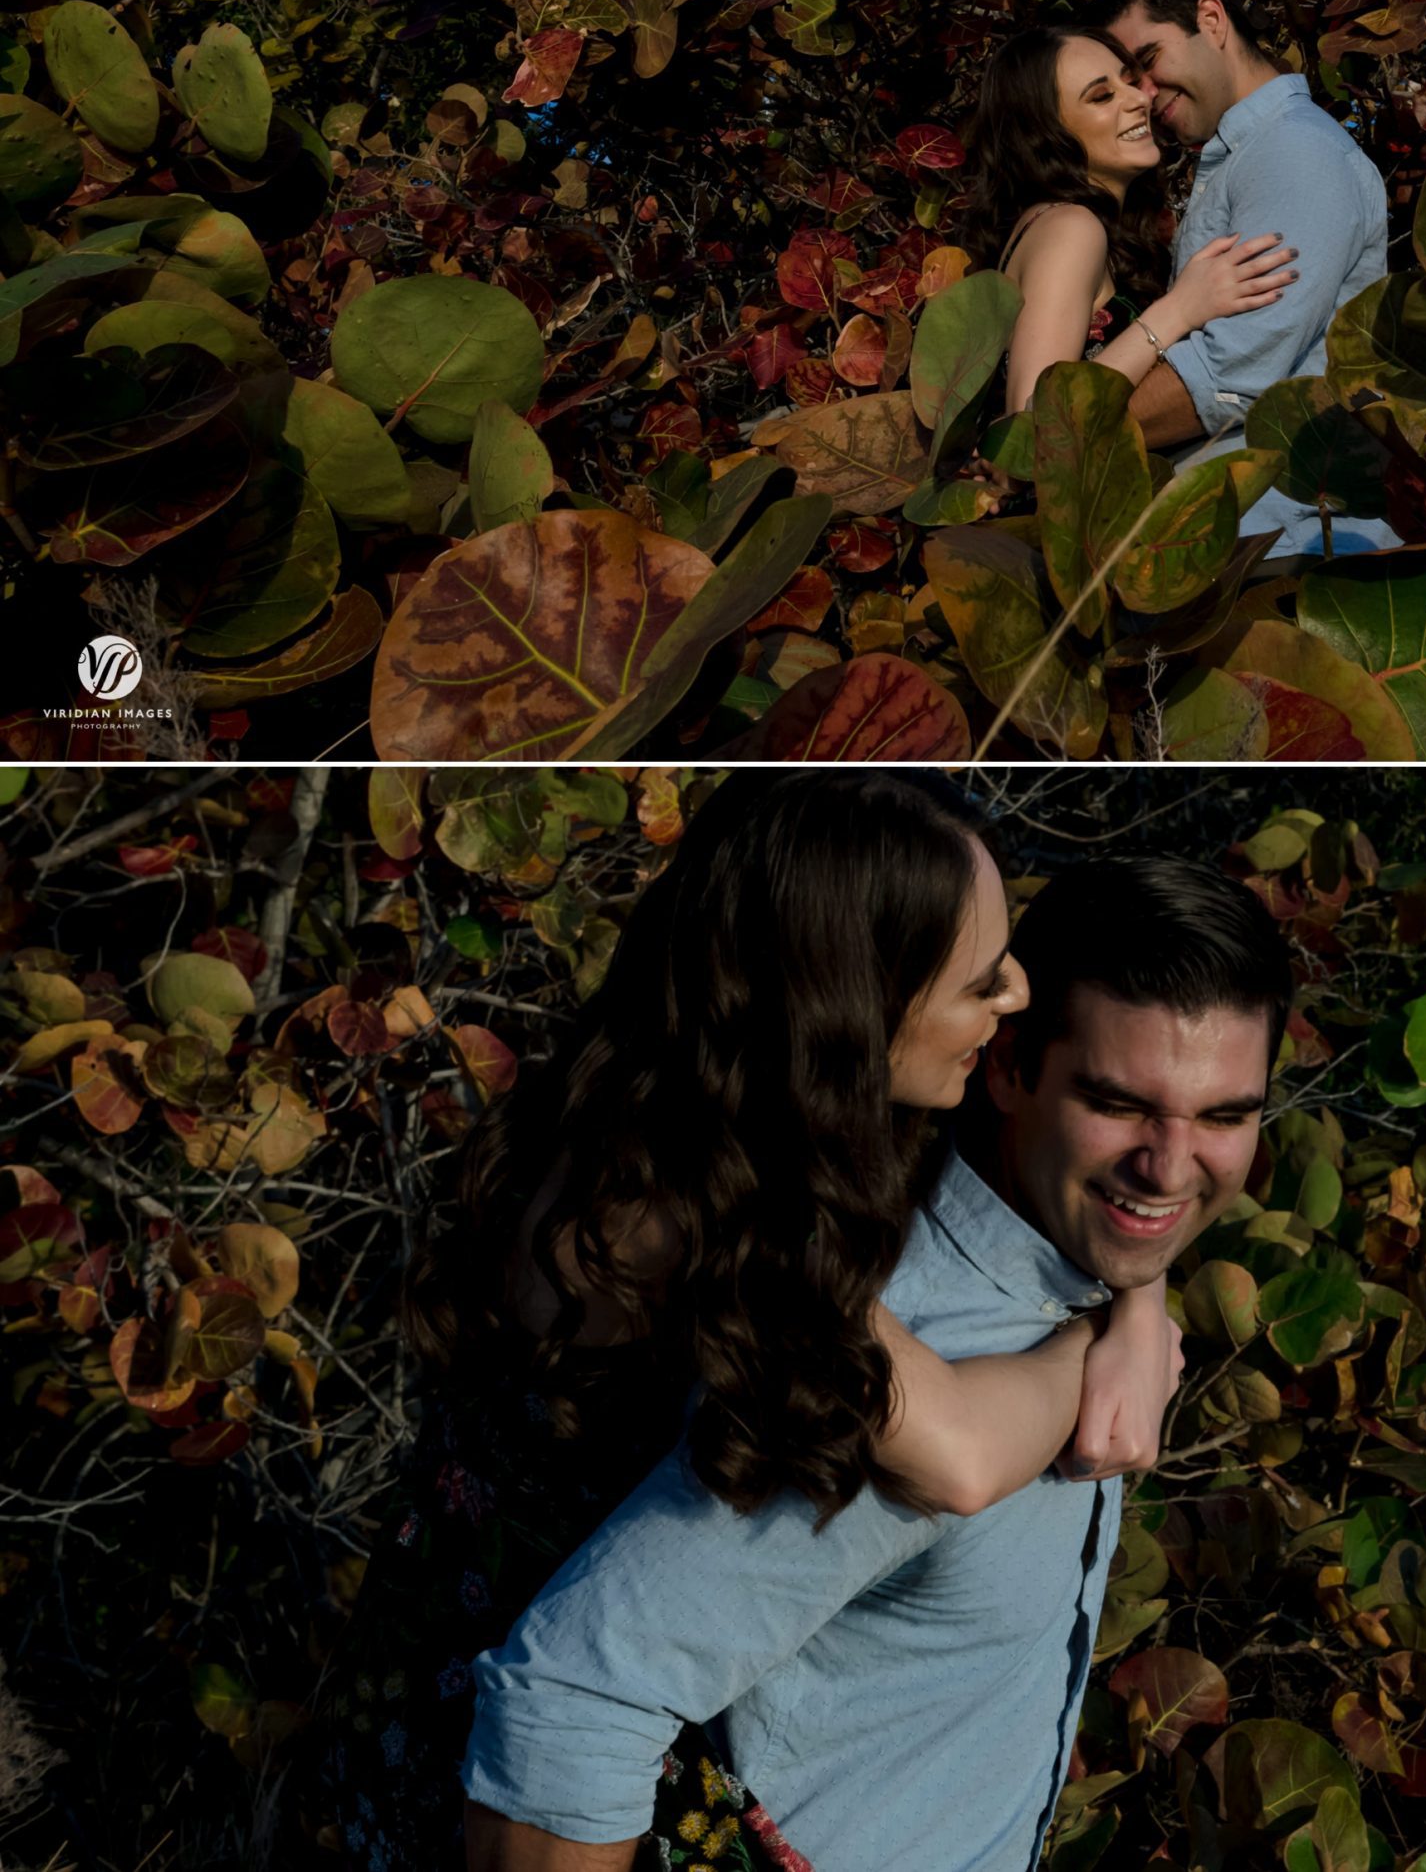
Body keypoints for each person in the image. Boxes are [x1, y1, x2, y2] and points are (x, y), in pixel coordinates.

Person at [308, 771, 1180, 1870]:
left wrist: (1140, 1288)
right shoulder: (692, 1226)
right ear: (855, 1003)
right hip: (517, 1797)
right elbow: (957, 1455)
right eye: (976, 982)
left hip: (402, 1700)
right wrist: (1100, 1339)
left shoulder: (628, 1124)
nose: (1014, 995)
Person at [462, 853, 1293, 1872]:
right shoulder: (891, 1354)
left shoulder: (1062, 1251)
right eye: (1118, 1104)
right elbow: (571, 1697)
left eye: (1224, 1116)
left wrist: (1134, 1293)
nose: (1171, 1166)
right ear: (1002, 1064)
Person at [1098, 0, 1395, 557]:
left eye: (1149, 62)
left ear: (1211, 20)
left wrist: (1060, 442)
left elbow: (1229, 379)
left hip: (1285, 547)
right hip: (1243, 540)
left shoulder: (1293, 152)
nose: (1146, 96)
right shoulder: (1252, 153)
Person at [961, 23, 1300, 422]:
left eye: (1129, 81)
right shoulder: (1070, 229)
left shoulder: (1065, 225)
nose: (1139, 99)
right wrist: (1178, 310)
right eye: (1102, 96)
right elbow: (1028, 428)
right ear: (1046, 133)